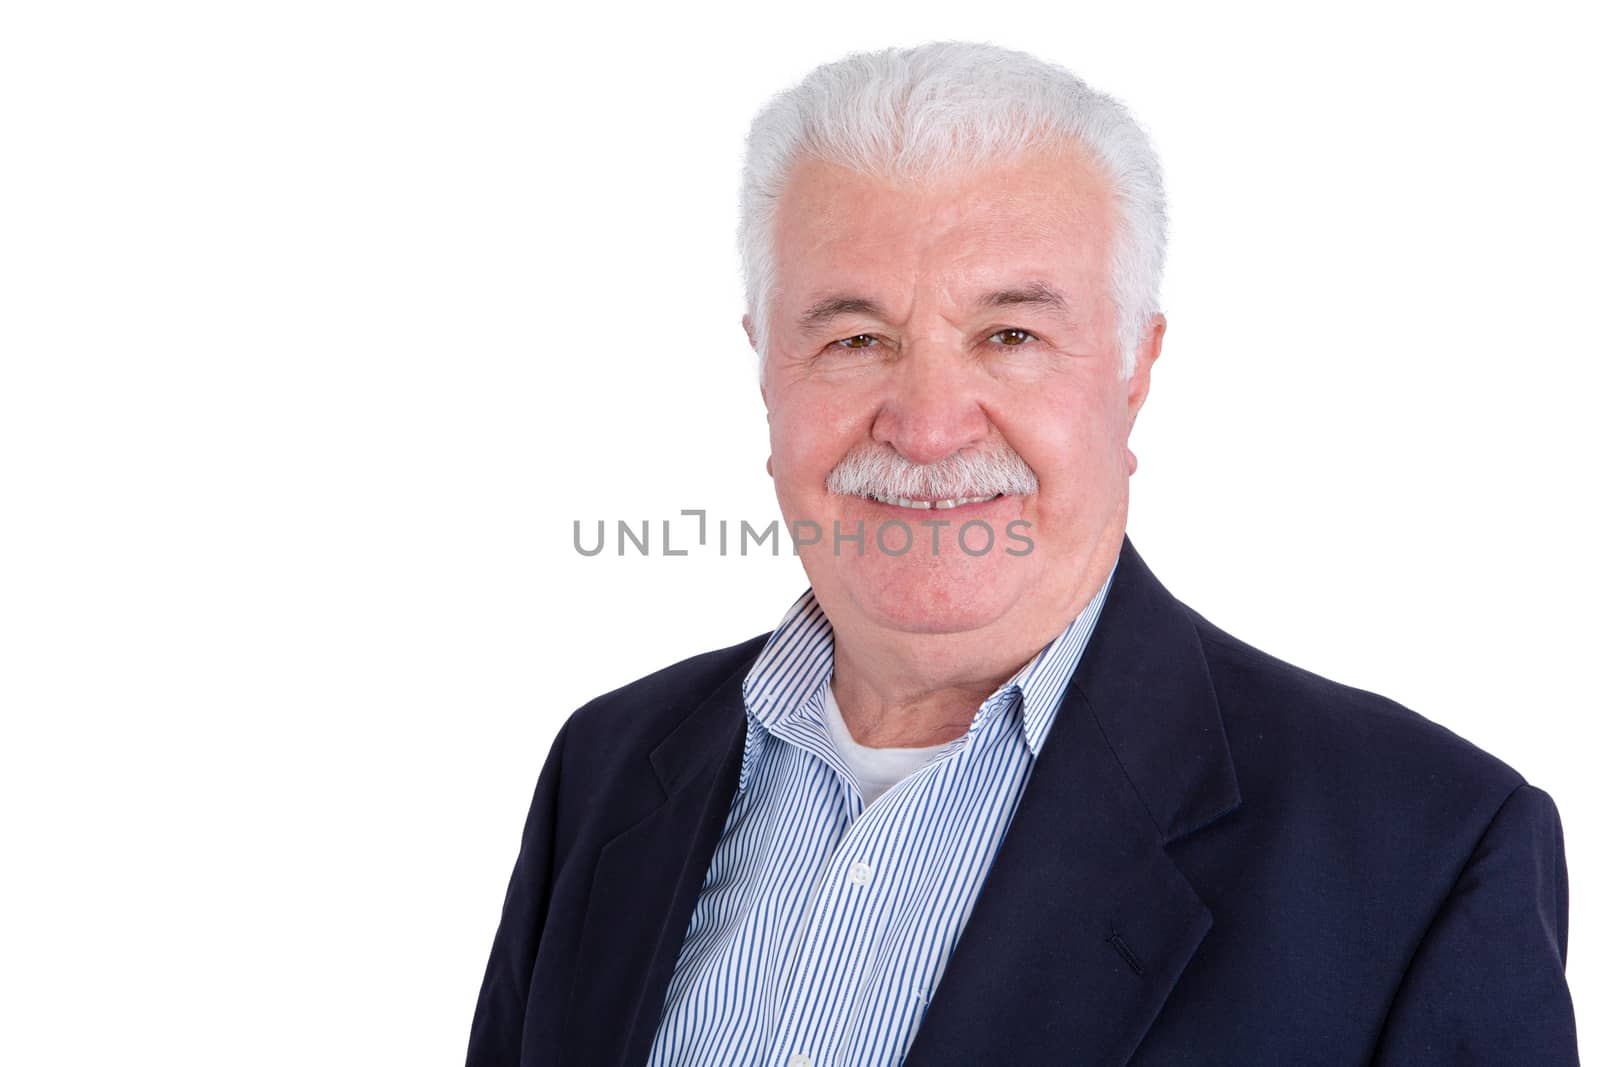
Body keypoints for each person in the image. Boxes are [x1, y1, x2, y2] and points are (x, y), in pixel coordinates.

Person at [465, 42, 1578, 1066]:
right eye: (855, 339)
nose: (929, 423)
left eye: (1010, 334)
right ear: (765, 364)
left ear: (1134, 368)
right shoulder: (607, 769)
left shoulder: (1421, 850)